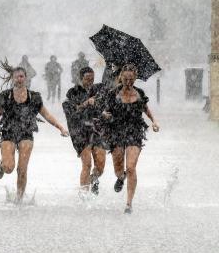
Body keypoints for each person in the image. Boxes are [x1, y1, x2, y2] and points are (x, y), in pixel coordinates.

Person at [0, 60, 69, 203]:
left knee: (22, 170)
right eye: (17, 76)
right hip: (8, 132)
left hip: (26, 133)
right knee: (9, 168)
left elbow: (47, 115)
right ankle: (2, 165)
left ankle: (19, 200)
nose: (19, 79)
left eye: (22, 76)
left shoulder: (34, 97)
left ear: (26, 78)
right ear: (12, 78)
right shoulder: (5, 96)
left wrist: (61, 128)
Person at [102, 64, 160, 214]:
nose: (128, 82)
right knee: (119, 169)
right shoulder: (113, 93)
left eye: (131, 79)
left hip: (134, 132)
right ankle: (121, 178)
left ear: (135, 78)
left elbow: (145, 109)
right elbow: (105, 110)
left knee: (131, 167)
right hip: (117, 132)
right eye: (125, 78)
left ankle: (129, 204)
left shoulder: (139, 93)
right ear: (121, 77)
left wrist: (154, 121)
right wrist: (105, 114)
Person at [63, 67, 106, 196]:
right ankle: (83, 194)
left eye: (92, 79)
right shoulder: (73, 92)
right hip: (80, 132)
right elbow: (72, 111)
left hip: (96, 130)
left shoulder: (99, 90)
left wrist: (103, 113)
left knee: (100, 165)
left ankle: (94, 178)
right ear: (81, 78)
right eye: (87, 79)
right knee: (87, 164)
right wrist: (86, 103)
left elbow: (103, 107)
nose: (90, 81)